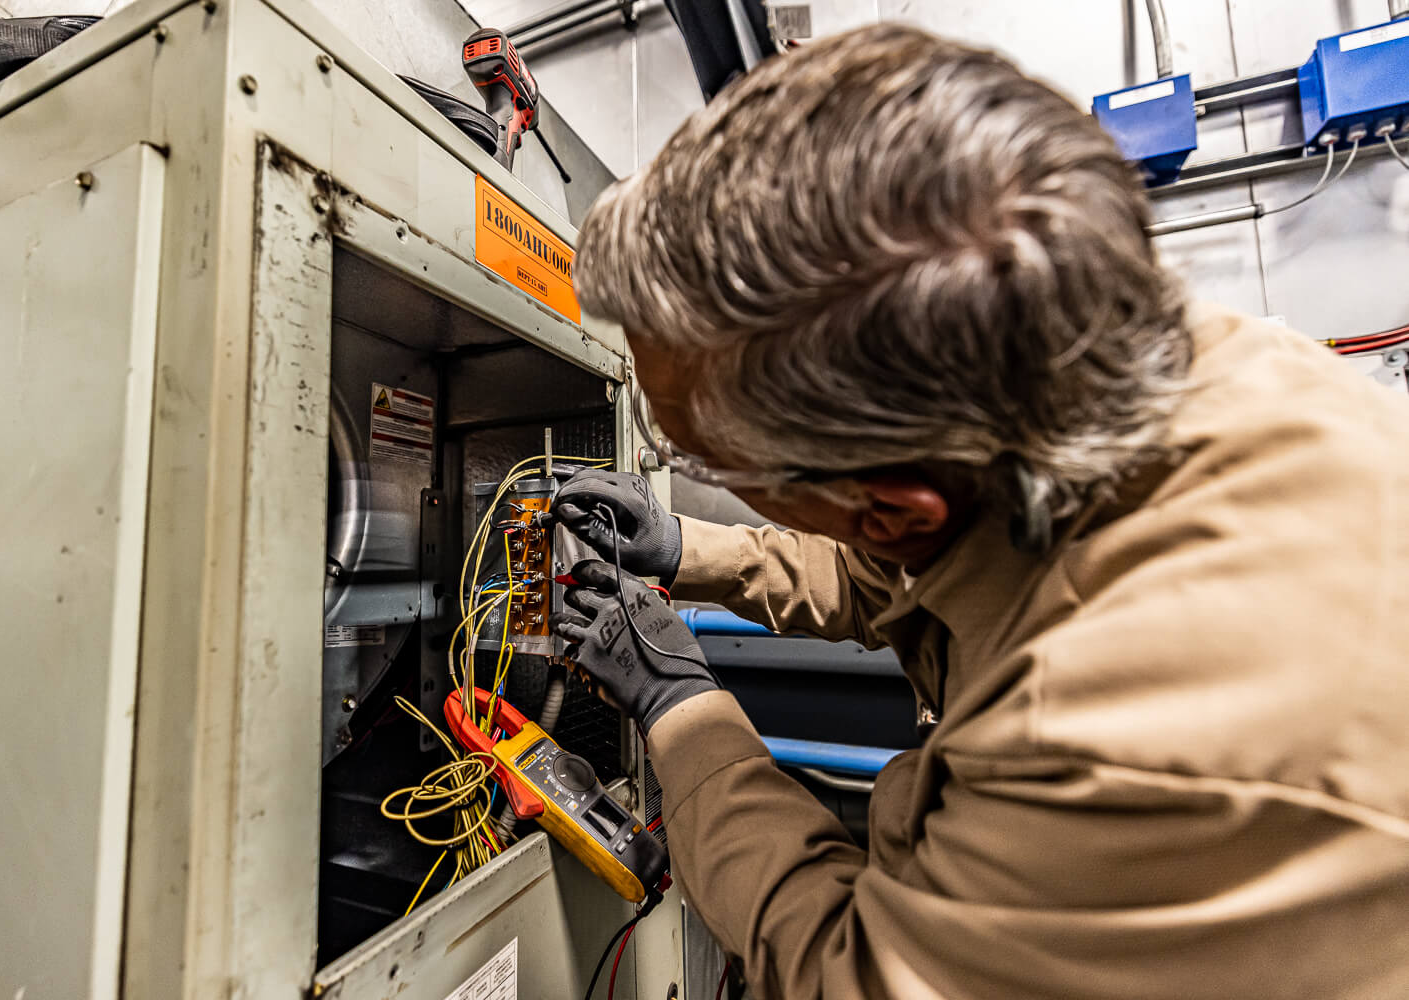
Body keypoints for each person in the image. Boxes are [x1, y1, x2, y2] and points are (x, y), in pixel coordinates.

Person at [544, 21, 1409, 1000]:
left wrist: (683, 709)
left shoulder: (1110, 741)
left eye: (690, 456)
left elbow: (853, 972)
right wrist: (688, 546)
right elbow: (936, 562)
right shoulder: (1158, 366)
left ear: (891, 503)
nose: (674, 464)